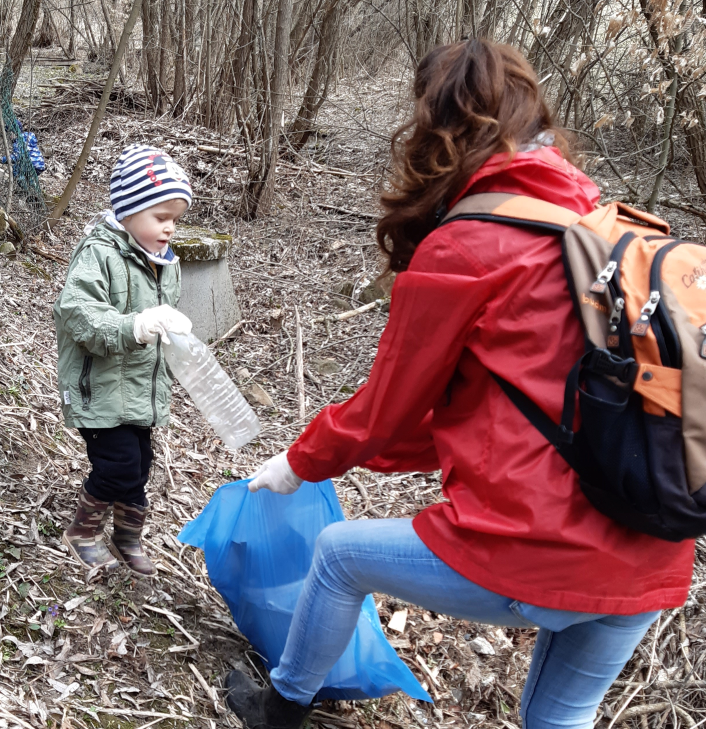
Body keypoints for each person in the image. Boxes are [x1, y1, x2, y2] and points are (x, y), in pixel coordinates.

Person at [224, 39, 695, 729]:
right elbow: (511, 408)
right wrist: (372, 453)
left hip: (535, 545)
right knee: (558, 719)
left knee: (337, 556)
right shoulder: (608, 229)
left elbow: (383, 414)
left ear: (436, 125)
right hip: (654, 545)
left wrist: (300, 463)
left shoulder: (470, 241)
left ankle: (280, 709)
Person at [54, 144, 194, 577]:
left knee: (140, 466)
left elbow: (158, 322)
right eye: (161, 217)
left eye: (176, 219)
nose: (170, 229)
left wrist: (173, 333)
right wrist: (134, 325)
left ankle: (127, 535)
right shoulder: (100, 254)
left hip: (141, 390)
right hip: (101, 390)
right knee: (117, 466)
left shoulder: (163, 263)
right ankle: (82, 530)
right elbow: (78, 314)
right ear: (129, 211)